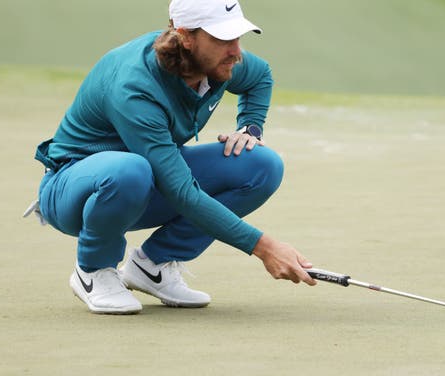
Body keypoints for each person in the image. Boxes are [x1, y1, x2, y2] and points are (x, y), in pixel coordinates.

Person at [25, 0, 316, 314]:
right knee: (131, 171)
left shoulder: (218, 61)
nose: (236, 51)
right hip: (74, 191)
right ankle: (93, 271)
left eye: (238, 37)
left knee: (261, 165)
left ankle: (154, 265)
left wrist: (250, 128)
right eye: (222, 39)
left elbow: (260, 78)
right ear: (186, 37)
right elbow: (180, 191)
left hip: (146, 183)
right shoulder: (135, 86)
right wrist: (265, 248)